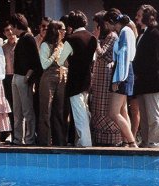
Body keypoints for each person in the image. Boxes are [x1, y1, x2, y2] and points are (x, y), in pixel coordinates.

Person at [58, 10, 97, 147]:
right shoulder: (92, 38)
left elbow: (60, 60)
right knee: (85, 111)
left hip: (74, 81)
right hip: (87, 79)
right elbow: (93, 59)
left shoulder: (72, 39)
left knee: (79, 115)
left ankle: (85, 144)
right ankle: (83, 141)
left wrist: (70, 61)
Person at [133, 4, 159, 148]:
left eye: (140, 16)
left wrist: (139, 72)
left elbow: (154, 59)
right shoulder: (142, 34)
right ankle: (146, 140)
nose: (137, 18)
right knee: (144, 115)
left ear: (147, 17)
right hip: (141, 82)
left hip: (151, 81)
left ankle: (154, 142)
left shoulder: (155, 34)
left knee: (153, 114)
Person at [89, 10, 121, 146]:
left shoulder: (112, 36)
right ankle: (99, 137)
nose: (95, 28)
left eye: (97, 25)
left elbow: (101, 53)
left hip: (105, 74)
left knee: (103, 104)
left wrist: (95, 38)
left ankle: (108, 138)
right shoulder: (108, 36)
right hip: (100, 73)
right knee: (97, 104)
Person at [9, 13, 42, 145]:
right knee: (17, 111)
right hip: (16, 76)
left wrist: (28, 77)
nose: (11, 30)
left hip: (23, 77)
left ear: (17, 26)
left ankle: (29, 138)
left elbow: (36, 63)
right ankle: (18, 138)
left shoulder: (28, 38)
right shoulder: (22, 39)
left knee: (27, 111)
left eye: (13, 27)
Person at [107, 13, 138, 148]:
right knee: (123, 110)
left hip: (122, 73)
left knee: (113, 113)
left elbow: (123, 57)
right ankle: (127, 141)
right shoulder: (129, 31)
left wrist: (118, 80)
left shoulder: (125, 32)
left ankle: (131, 142)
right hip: (126, 71)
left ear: (117, 23)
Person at [37, 20, 68, 146]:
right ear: (56, 31)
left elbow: (65, 63)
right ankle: (44, 141)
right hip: (48, 76)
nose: (65, 32)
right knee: (46, 110)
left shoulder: (63, 45)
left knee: (59, 110)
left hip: (61, 76)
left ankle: (59, 141)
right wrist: (54, 55)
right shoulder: (45, 45)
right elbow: (44, 65)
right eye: (62, 30)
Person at [0, 22, 18, 143]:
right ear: (4, 33)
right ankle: (13, 133)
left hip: (19, 77)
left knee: (21, 107)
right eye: (7, 30)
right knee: (10, 106)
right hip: (7, 78)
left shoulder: (21, 43)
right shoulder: (3, 48)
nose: (10, 32)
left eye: (11, 29)